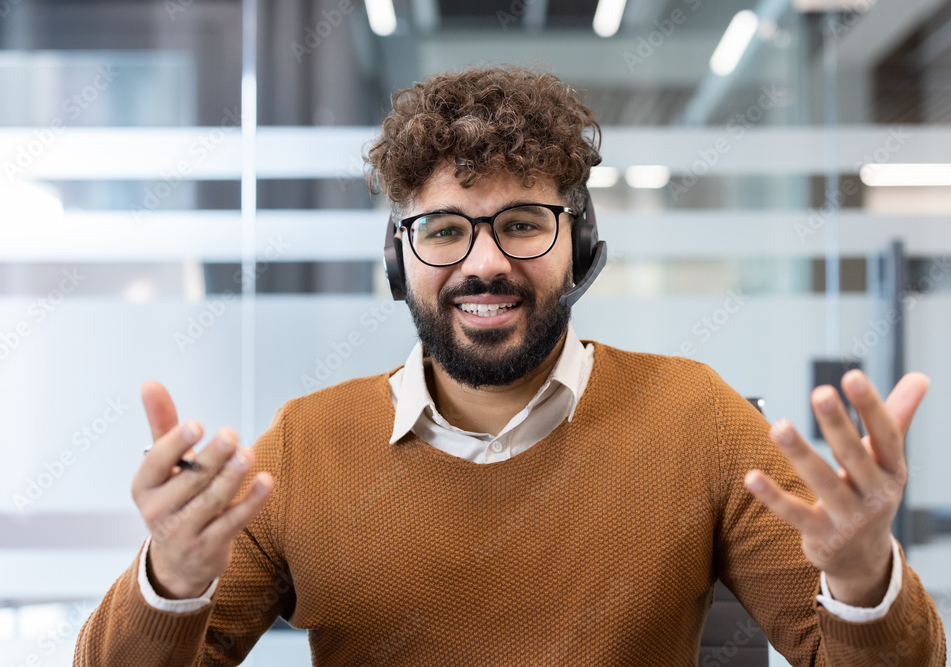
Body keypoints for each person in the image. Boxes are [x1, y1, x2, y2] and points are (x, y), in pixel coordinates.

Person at [74, 66, 946, 666]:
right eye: (446, 229)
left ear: (582, 246)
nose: (483, 263)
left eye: (523, 222)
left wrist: (864, 577)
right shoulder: (307, 443)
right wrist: (171, 583)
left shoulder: (699, 416)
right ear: (398, 259)